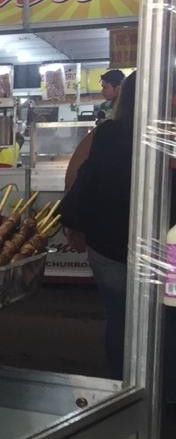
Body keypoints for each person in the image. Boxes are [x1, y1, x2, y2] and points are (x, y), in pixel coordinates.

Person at [62, 72, 137, 380]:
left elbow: (81, 180)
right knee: (165, 318)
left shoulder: (106, 134)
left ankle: (124, 385)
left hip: (107, 244)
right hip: (164, 250)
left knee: (119, 317)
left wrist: (75, 227)